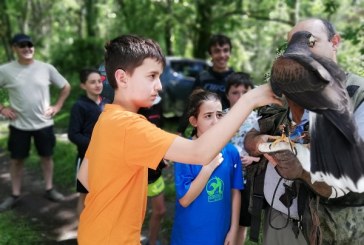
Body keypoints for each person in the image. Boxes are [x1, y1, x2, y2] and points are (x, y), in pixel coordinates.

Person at [76, 34, 281, 245]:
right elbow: (199, 153)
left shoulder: (107, 117)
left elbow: (85, 176)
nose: (159, 86)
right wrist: (250, 100)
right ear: (122, 78)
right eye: (151, 76)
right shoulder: (129, 125)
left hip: (93, 232)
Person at [245, 18, 364, 245]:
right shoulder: (283, 85)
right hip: (277, 220)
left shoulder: (358, 94)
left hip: (328, 231)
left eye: (313, 41)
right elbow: (251, 136)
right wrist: (260, 143)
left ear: (334, 42)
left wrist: (301, 170)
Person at [0, 33, 71, 212]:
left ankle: (49, 189)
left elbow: (65, 86)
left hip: (44, 124)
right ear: (14, 48)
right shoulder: (5, 70)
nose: (27, 48)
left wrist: (57, 106)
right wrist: (2, 109)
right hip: (18, 125)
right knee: (17, 160)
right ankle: (15, 194)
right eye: (22, 45)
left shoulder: (46, 68)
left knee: (46, 157)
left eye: (29, 45)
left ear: (33, 47)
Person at [171, 89, 243, 245]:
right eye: (208, 116)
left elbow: (235, 192)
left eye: (219, 115)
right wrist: (208, 168)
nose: (216, 121)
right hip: (189, 235)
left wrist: (233, 229)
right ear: (194, 121)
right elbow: (185, 200)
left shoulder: (230, 152)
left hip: (220, 232)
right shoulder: (183, 152)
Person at [224, 72, 261, 244]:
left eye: (245, 92)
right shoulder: (219, 117)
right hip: (223, 179)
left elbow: (267, 152)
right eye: (235, 92)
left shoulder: (259, 121)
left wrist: (253, 160)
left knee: (241, 223)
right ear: (227, 95)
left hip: (247, 181)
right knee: (223, 220)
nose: (240, 97)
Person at [177, 34, 234, 136]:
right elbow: (191, 105)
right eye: (217, 51)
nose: (222, 55)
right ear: (210, 54)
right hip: (203, 131)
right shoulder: (203, 77)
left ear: (230, 52)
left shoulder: (235, 79)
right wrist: (180, 130)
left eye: (225, 50)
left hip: (228, 132)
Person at [68, 68, 106, 217]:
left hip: (107, 160)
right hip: (86, 160)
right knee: (85, 197)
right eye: (92, 82)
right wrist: (95, 145)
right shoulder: (79, 106)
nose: (97, 85)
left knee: (102, 197)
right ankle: (83, 236)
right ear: (83, 85)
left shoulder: (107, 104)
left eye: (99, 81)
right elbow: (73, 134)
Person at [139, 96, 167, 245]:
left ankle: (152, 240)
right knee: (134, 214)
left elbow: (158, 133)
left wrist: (162, 155)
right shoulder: (131, 107)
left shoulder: (158, 103)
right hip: (136, 171)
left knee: (160, 210)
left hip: (154, 169)